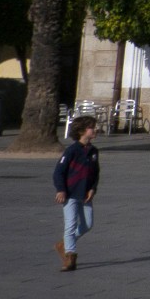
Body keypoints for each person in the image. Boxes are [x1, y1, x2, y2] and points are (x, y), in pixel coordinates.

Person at [53, 115, 100, 271]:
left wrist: (92, 188)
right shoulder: (72, 150)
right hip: (71, 193)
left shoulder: (93, 151)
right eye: (92, 127)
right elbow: (59, 172)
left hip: (85, 194)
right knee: (70, 225)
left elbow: (95, 173)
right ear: (81, 131)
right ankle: (70, 256)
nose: (95, 129)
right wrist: (61, 189)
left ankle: (64, 244)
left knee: (87, 224)